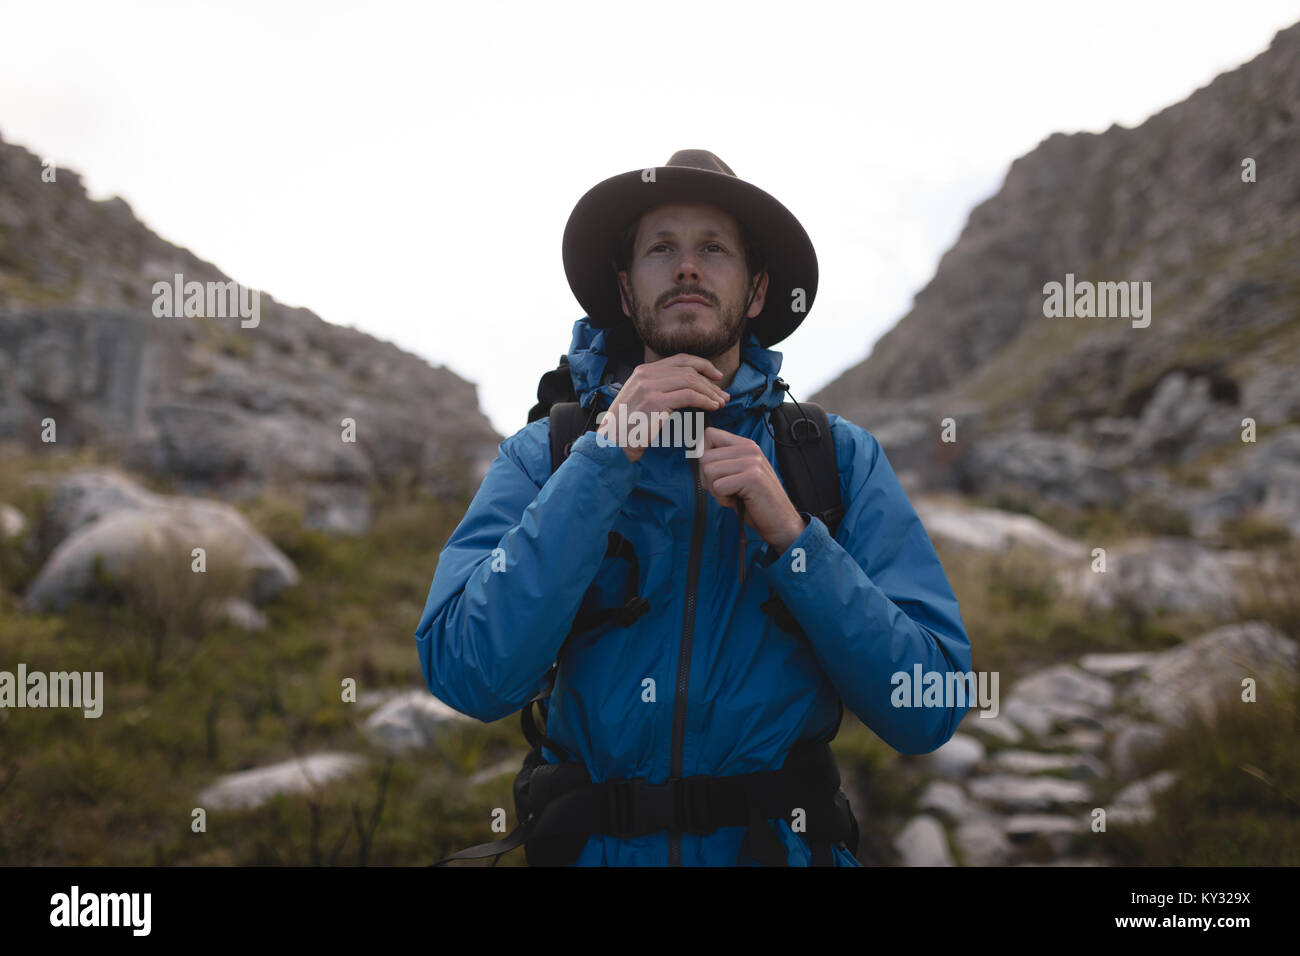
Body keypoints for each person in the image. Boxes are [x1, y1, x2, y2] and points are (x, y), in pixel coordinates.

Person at [415, 150, 973, 866]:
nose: (687, 268)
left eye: (714, 248)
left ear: (758, 289)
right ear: (624, 290)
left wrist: (796, 541)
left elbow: (928, 707)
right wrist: (604, 460)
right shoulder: (545, 454)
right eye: (661, 249)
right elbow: (468, 673)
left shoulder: (832, 457)